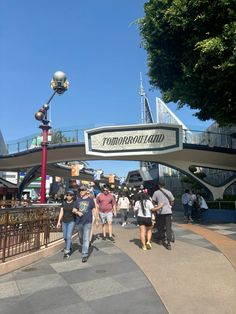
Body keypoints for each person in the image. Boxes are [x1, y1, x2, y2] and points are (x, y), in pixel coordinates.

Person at [73, 185, 96, 263]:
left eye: (82, 190)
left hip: (88, 222)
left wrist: (96, 219)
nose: (81, 192)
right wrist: (77, 212)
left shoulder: (90, 200)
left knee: (86, 238)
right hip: (79, 222)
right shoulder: (77, 200)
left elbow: (94, 210)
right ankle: (84, 246)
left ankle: (84, 255)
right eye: (80, 190)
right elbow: (73, 210)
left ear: (86, 191)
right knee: (81, 237)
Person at [152, 181, 175, 250]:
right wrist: (170, 206)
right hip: (168, 212)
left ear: (159, 185)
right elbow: (172, 200)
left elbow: (153, 201)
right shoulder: (169, 192)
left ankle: (161, 240)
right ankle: (168, 243)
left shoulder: (156, 192)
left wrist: (157, 205)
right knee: (168, 227)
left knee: (160, 226)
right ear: (164, 185)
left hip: (160, 212)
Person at [56, 190, 76, 259]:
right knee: (65, 237)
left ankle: (67, 251)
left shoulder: (74, 203)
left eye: (70, 195)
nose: (68, 196)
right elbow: (61, 212)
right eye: (67, 195)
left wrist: (76, 211)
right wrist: (59, 221)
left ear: (73, 196)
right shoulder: (64, 203)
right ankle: (69, 245)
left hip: (71, 221)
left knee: (68, 236)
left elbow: (77, 211)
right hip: (64, 221)